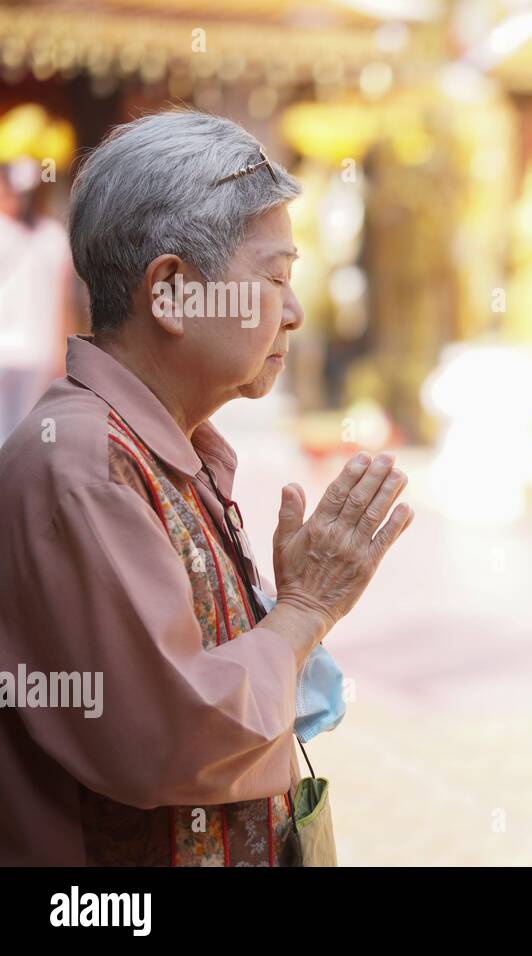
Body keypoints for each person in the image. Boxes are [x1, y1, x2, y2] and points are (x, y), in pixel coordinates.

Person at [0, 109, 414, 865]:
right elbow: (170, 734)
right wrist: (305, 608)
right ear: (172, 292)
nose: (292, 312)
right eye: (275, 278)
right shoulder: (85, 464)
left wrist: (288, 617)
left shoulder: (170, 449)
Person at [0, 158, 76, 441]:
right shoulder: (54, 237)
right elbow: (64, 304)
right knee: (25, 432)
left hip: (18, 352)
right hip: (39, 352)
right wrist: (63, 350)